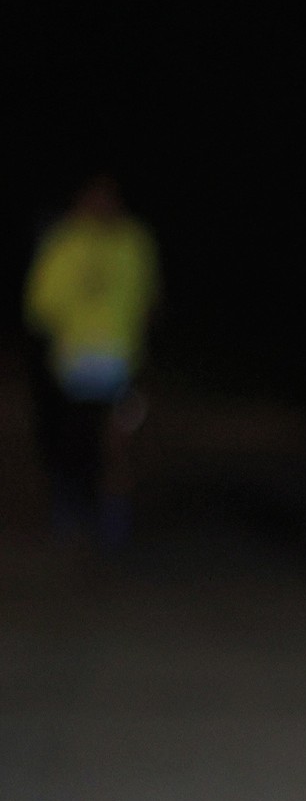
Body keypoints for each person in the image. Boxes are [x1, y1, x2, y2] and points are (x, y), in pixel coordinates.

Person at [23, 175, 160, 546]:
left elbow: (149, 297)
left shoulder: (135, 241)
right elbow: (39, 305)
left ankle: (115, 515)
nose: (102, 204)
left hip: (123, 365)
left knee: (120, 441)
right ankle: (69, 505)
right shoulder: (64, 241)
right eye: (94, 197)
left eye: (108, 196)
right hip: (73, 366)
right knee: (74, 441)